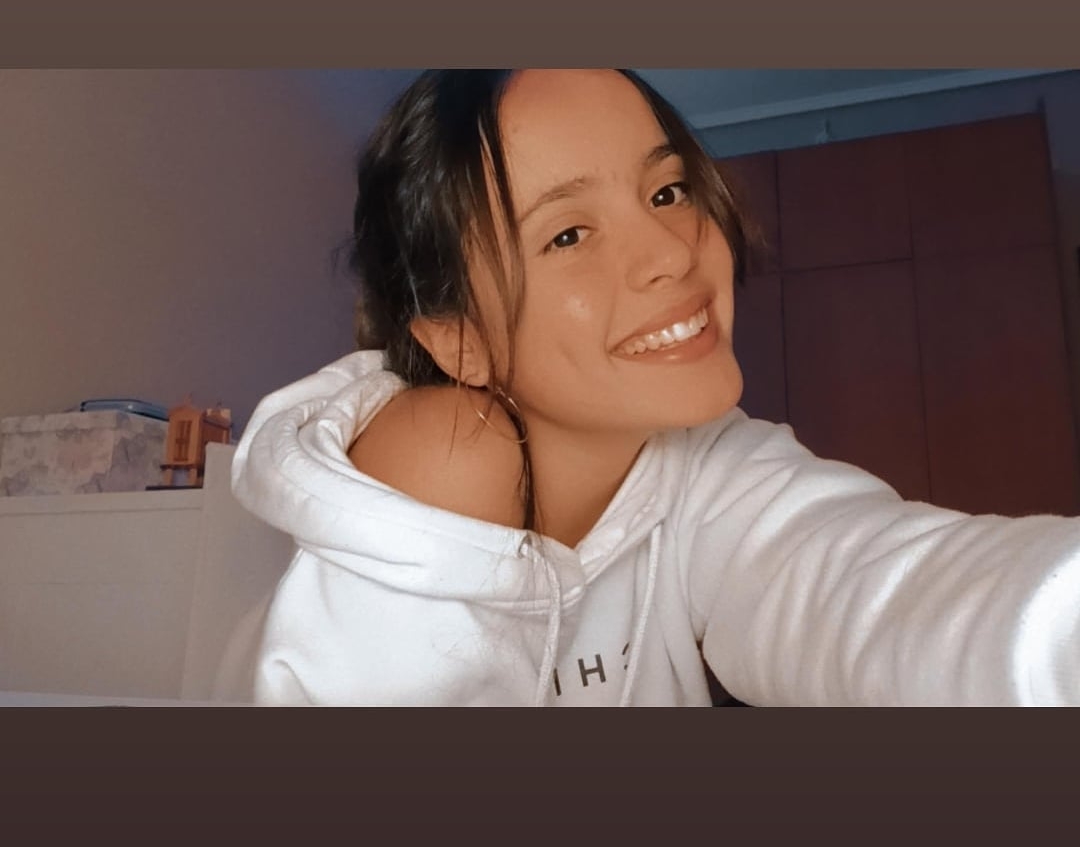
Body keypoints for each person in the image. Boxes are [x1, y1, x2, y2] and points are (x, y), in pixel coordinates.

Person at [227, 68, 1080, 706]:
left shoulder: (705, 462)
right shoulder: (449, 455)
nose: (674, 252)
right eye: (569, 235)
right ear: (458, 339)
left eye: (667, 191)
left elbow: (872, 590)